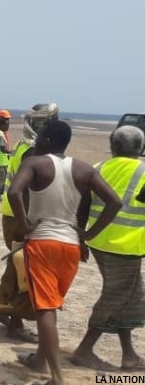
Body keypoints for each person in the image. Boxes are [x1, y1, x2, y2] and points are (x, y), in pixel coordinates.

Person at [8, 120, 121, 385]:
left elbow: (14, 191)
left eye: (40, 136)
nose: (36, 141)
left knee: (45, 309)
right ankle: (39, 359)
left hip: (42, 243)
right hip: (70, 246)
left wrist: (23, 225)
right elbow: (114, 201)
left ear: (47, 139)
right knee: (51, 302)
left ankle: (57, 377)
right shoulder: (83, 169)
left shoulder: (35, 164)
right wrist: (89, 235)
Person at [71, 125, 145, 372]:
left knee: (130, 295)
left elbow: (83, 205)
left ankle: (129, 355)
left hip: (99, 242)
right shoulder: (143, 171)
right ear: (141, 148)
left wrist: (82, 237)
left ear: (113, 146)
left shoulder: (100, 168)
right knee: (116, 295)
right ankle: (84, 349)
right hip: (125, 245)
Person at [0, 103, 59, 343]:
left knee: (18, 267)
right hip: (21, 217)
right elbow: (25, 190)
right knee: (23, 270)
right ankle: (13, 319)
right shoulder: (33, 152)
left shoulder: (23, 145)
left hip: (12, 215)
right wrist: (30, 220)